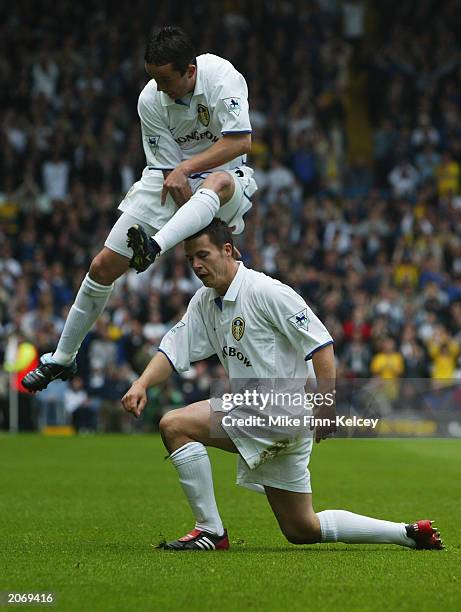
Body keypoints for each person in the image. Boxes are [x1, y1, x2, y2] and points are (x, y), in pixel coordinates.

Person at [122, 220, 443, 551]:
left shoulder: (266, 291)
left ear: (227, 250)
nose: (197, 266)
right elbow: (175, 348)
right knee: (301, 527)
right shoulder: (205, 302)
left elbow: (321, 343)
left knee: (174, 426)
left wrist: (326, 405)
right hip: (285, 423)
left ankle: (210, 531)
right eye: (190, 260)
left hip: (276, 411)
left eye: (203, 255)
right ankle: (406, 533)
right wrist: (142, 382)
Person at [22, 26, 256, 392]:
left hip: (224, 175)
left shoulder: (222, 77)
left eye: (165, 78)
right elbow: (170, 178)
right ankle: (63, 359)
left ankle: (155, 248)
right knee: (101, 266)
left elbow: (241, 140)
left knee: (220, 183)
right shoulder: (150, 99)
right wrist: (191, 220)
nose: (158, 86)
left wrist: (190, 179)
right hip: (171, 180)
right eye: (153, 77)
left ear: (190, 71)